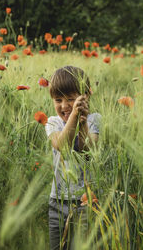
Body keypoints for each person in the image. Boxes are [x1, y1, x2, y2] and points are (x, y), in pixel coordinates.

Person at [45, 66, 101, 250]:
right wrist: (74, 116)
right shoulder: (52, 122)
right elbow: (63, 146)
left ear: (85, 96)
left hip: (86, 202)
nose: (64, 105)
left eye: (70, 99)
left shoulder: (94, 120)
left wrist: (82, 120)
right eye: (58, 100)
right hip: (57, 202)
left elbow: (86, 149)